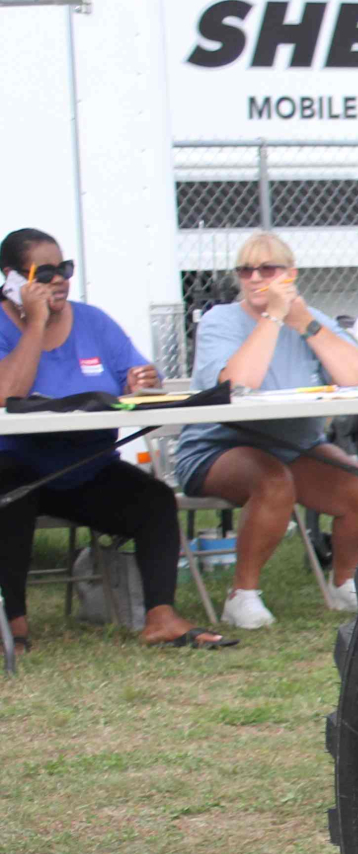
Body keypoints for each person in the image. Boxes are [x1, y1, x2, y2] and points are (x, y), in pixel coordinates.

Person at [0, 229, 233, 652]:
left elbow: (143, 379)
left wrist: (142, 380)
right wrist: (35, 322)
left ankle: (160, 617)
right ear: (12, 278)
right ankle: (13, 624)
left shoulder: (93, 322)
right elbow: (6, 392)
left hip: (85, 467)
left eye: (64, 269)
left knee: (156, 500)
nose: (59, 281)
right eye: (45, 272)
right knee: (11, 496)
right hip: (17, 464)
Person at [171, 232, 358, 630]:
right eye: (245, 270)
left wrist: (305, 323)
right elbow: (237, 385)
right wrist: (272, 318)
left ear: (290, 274)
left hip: (295, 445)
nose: (255, 277)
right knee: (272, 481)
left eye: (267, 268)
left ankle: (344, 582)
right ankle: (242, 595)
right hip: (218, 447)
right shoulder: (220, 320)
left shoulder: (311, 318)